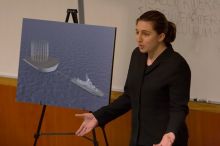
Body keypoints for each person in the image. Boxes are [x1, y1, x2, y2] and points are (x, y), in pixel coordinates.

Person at [75, 10, 191, 146]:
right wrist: (99, 116)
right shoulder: (137, 55)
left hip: (164, 141)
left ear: (161, 36)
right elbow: (130, 96)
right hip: (138, 140)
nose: (139, 38)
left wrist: (170, 134)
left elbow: (178, 108)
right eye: (137, 32)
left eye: (145, 34)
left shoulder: (176, 65)